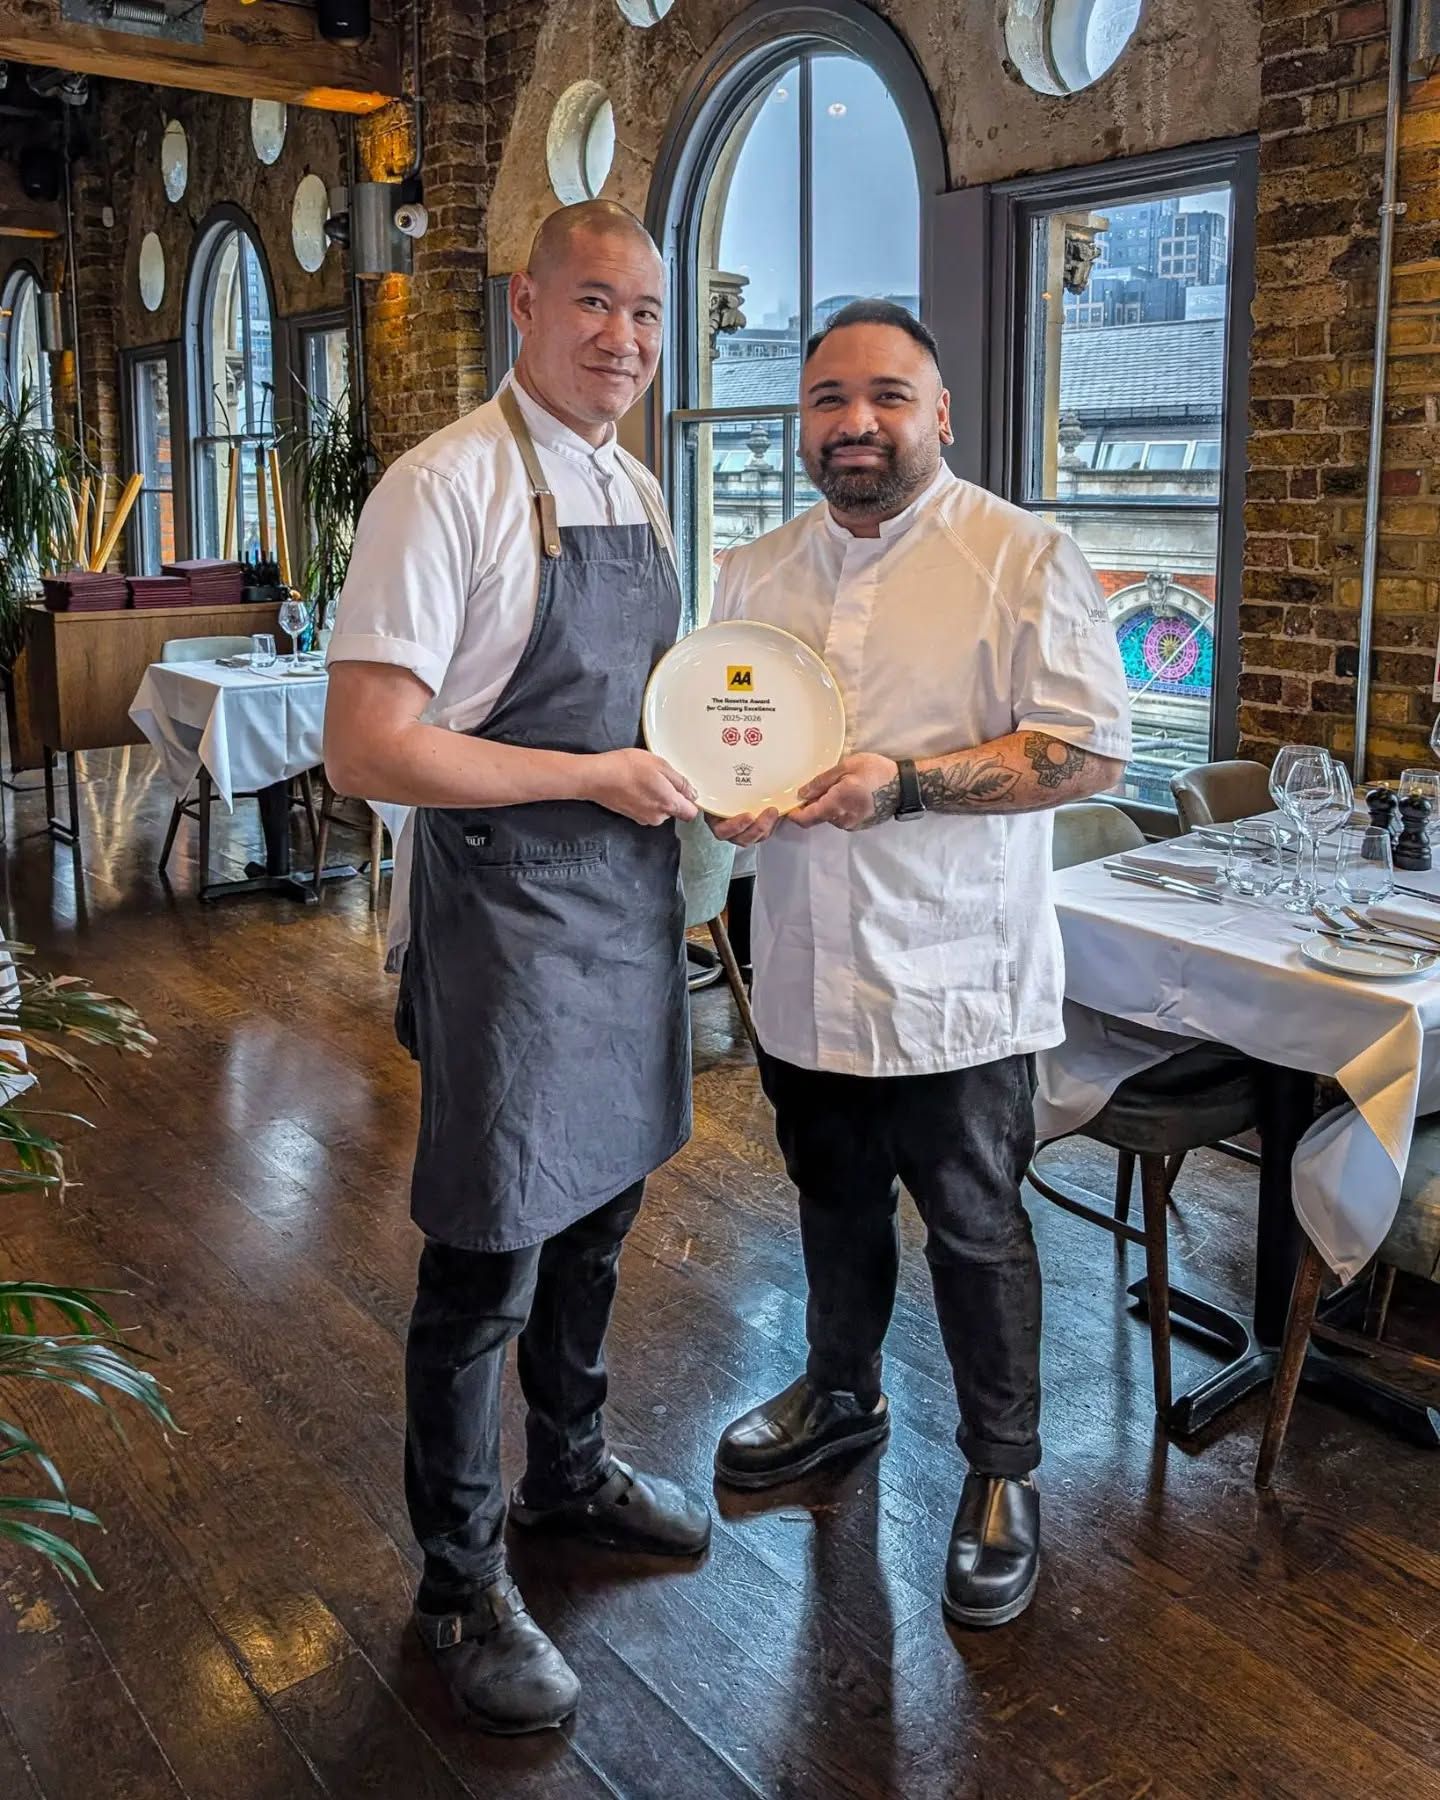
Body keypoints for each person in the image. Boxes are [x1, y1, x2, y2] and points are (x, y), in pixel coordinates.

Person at [323, 199, 711, 1736]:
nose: (624, 338)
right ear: (527, 306)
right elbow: (370, 749)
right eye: (595, 303)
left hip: (621, 907)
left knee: (601, 1215)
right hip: (504, 919)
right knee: (488, 1257)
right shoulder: (445, 487)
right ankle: (459, 1579)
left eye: (647, 312)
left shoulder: (637, 487)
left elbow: (656, 707)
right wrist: (592, 776)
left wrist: (714, 769)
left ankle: (569, 1474)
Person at [709, 299, 1130, 1630]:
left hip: (958, 973)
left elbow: (1088, 752)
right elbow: (727, 737)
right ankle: (842, 1393)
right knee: (829, 1199)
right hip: (802, 957)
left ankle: (1003, 1472)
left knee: (975, 1227)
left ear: (939, 413)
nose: (856, 422)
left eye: (888, 396)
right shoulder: (753, 572)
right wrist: (722, 794)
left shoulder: (1022, 555)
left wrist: (904, 785)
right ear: (802, 422)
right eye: (829, 399)